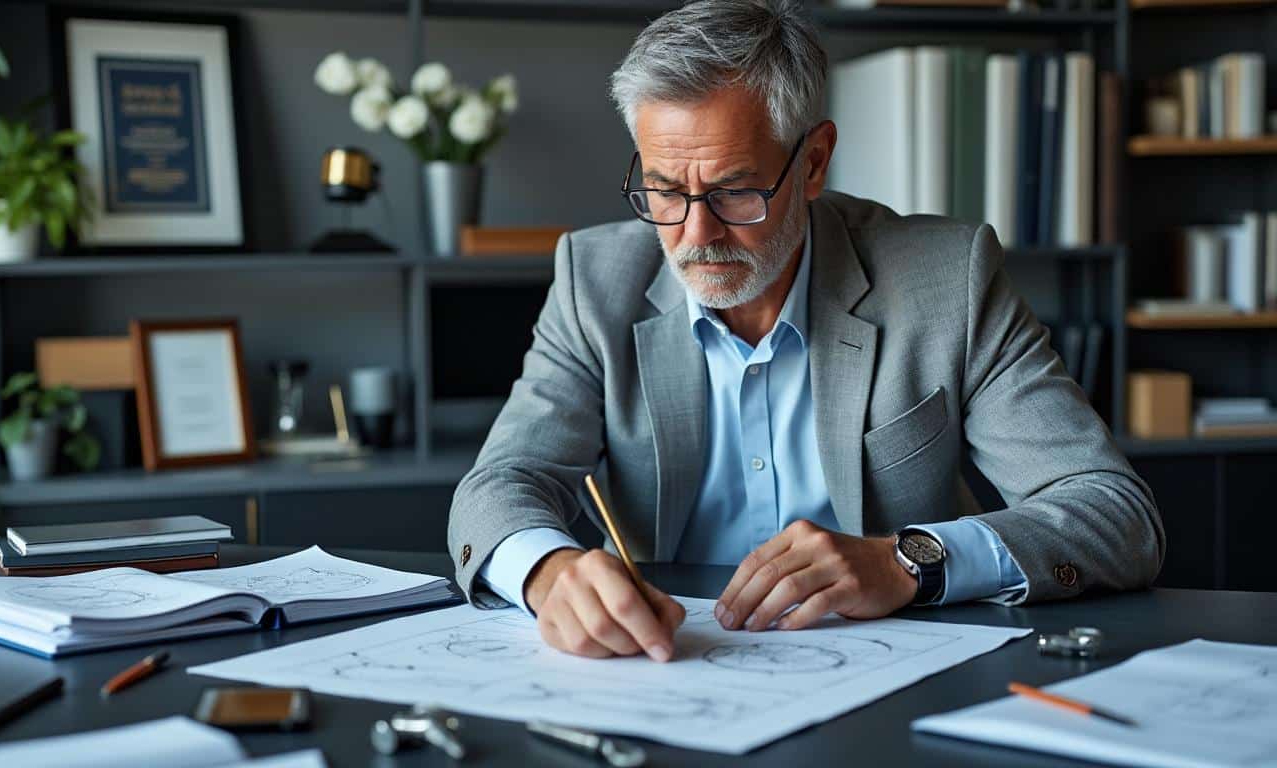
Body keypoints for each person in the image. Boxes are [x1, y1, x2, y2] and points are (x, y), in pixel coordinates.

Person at [447, 0, 1164, 663]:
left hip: (891, 673)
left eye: (734, 190)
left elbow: (1115, 514)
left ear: (813, 161)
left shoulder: (948, 279)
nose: (696, 234)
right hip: (664, 666)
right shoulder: (594, 278)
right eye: (664, 190)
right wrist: (549, 570)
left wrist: (908, 561)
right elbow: (502, 483)